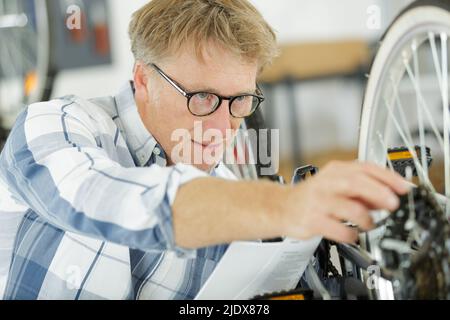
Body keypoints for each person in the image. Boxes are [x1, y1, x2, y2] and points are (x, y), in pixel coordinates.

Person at [0, 0, 409, 300]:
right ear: (143, 79)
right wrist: (283, 206)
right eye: (202, 97)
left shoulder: (224, 187)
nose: (220, 127)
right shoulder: (56, 125)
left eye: (239, 101)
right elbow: (99, 196)